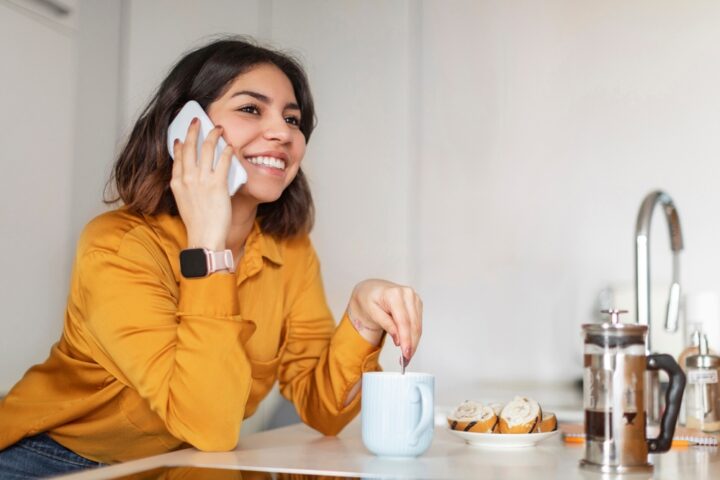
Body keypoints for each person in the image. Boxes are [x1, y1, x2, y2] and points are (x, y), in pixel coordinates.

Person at [0, 37, 423, 478]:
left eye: (292, 118)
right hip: (51, 462)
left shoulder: (289, 249)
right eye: (250, 109)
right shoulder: (119, 247)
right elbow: (209, 426)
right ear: (186, 127)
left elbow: (325, 413)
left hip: (179, 466)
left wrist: (361, 321)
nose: (283, 132)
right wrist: (207, 246)